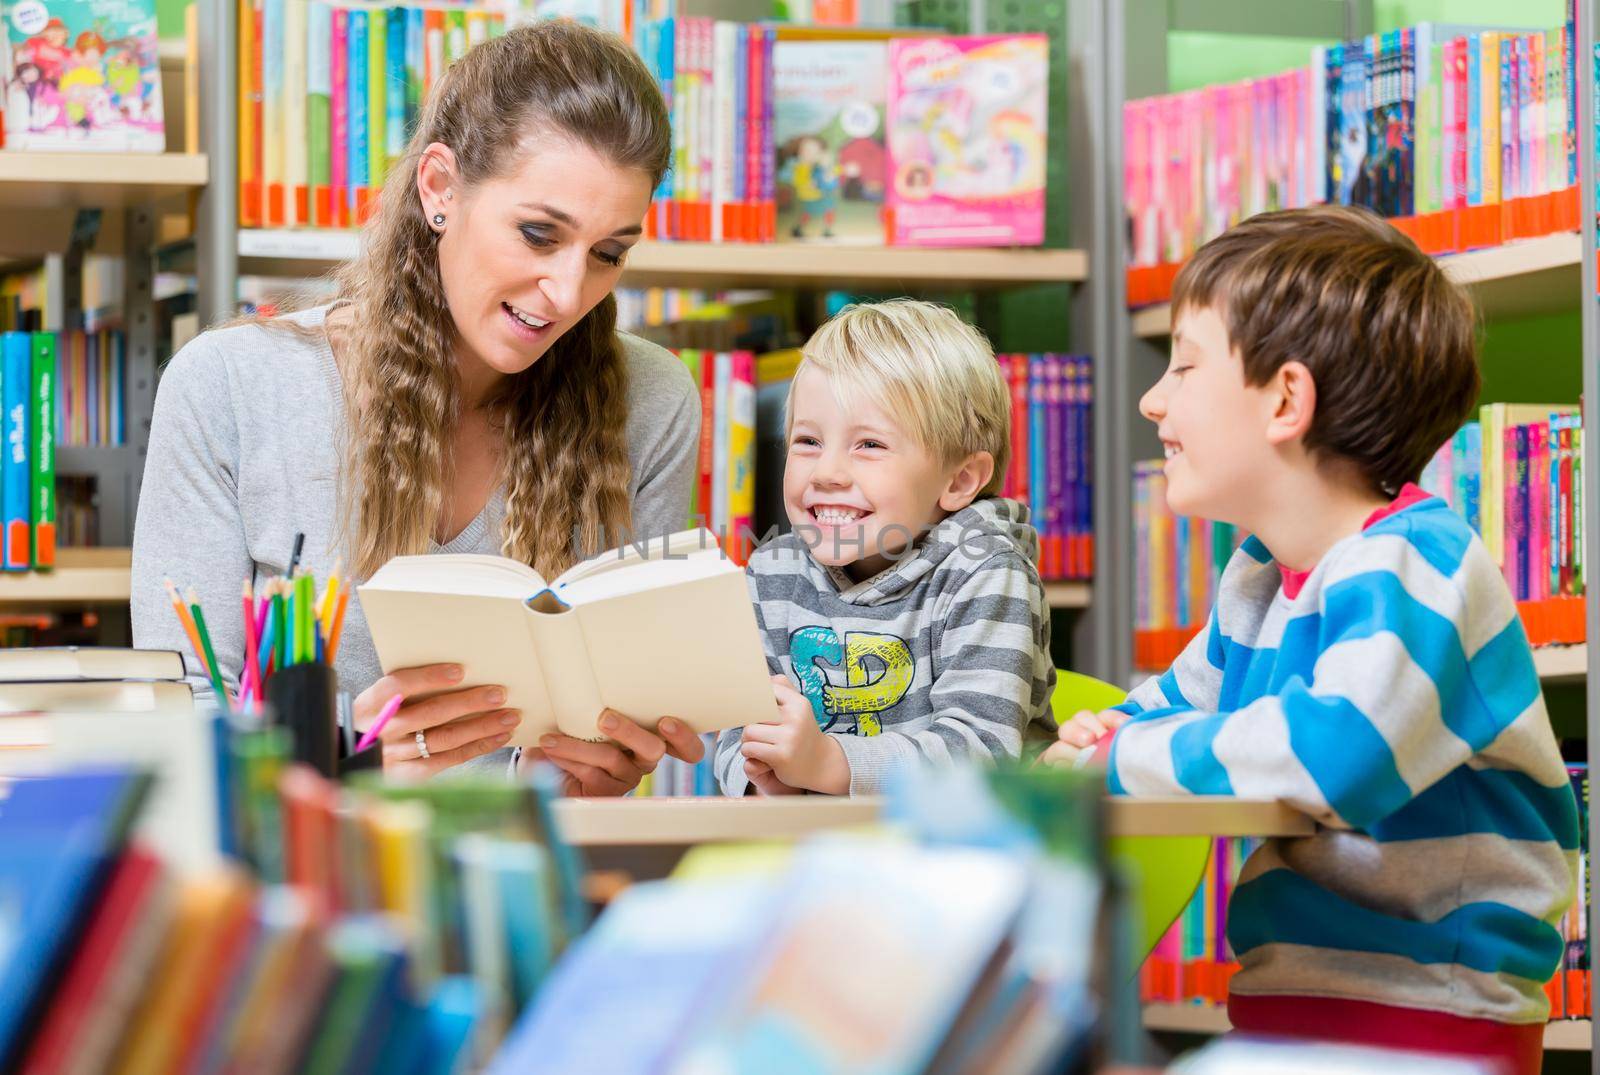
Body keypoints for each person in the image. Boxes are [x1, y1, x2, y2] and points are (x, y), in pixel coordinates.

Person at [1044, 206, 1577, 1075]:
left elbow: (1336, 754)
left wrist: (1120, 755)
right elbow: (1162, 710)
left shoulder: (1417, 566)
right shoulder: (1260, 577)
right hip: (1292, 1008)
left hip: (1427, 1021)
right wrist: (1103, 740)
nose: (1153, 396)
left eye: (1183, 364)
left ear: (1287, 400)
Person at [132, 21, 706, 793]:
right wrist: (341, 756)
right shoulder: (230, 386)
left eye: (609, 253)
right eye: (539, 234)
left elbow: (623, 718)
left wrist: (579, 771)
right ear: (440, 188)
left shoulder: (653, 401)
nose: (570, 294)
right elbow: (175, 723)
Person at [715, 299, 1056, 796]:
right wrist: (766, 775)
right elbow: (733, 729)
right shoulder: (772, 573)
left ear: (960, 480)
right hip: (820, 851)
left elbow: (980, 754)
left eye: (869, 445)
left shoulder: (987, 573)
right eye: (808, 441)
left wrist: (831, 764)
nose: (827, 473)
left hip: (971, 853)